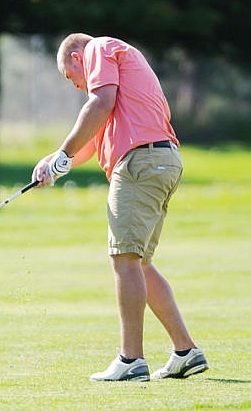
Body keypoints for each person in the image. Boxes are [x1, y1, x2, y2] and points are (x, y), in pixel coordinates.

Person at [32, 33, 209, 382]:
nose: (77, 87)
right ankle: (185, 352)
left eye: (72, 77)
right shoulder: (118, 80)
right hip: (160, 160)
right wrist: (55, 161)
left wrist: (63, 154)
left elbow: (98, 104)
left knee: (124, 258)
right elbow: (92, 139)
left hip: (141, 163)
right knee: (139, 263)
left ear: (76, 58)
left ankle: (131, 360)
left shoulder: (98, 49)